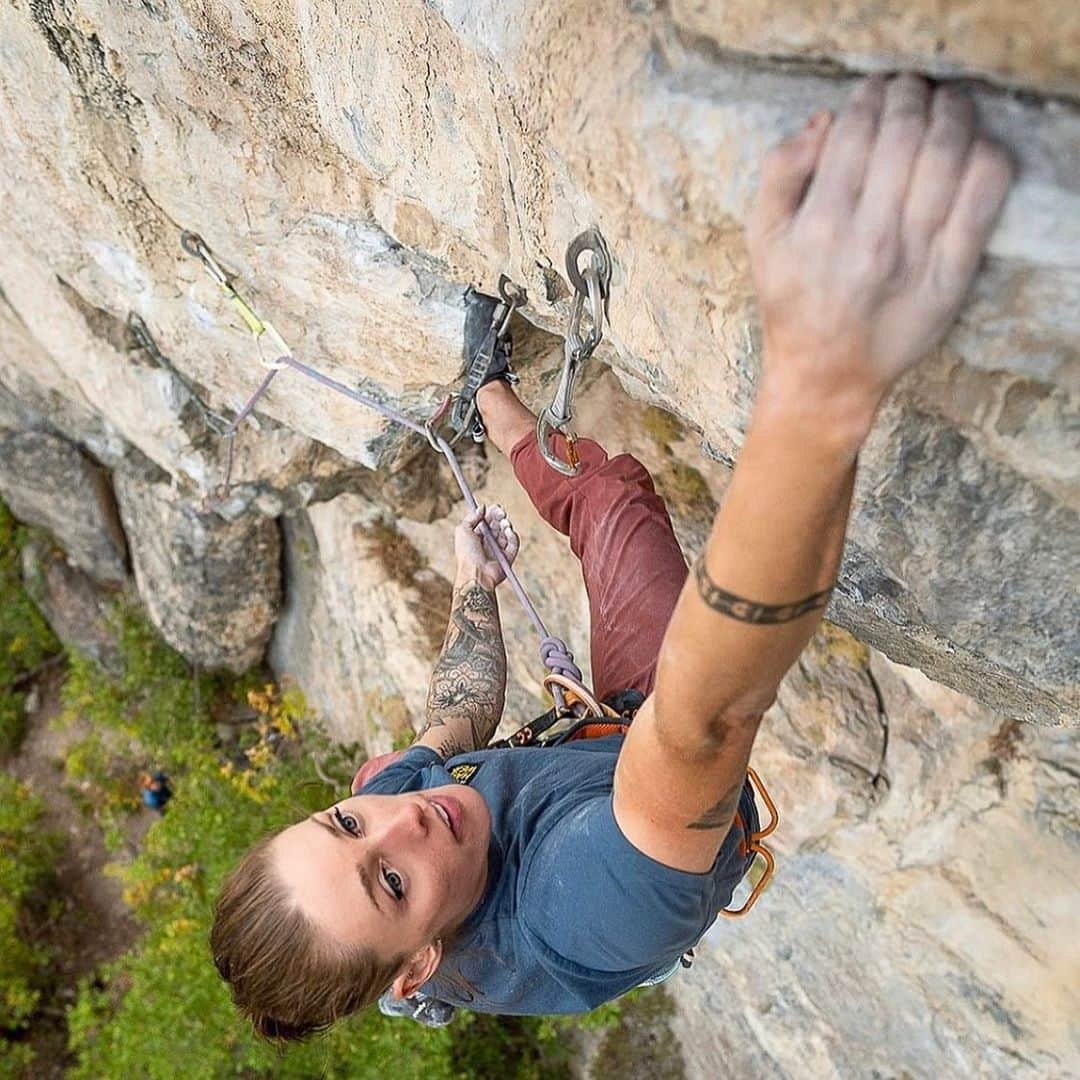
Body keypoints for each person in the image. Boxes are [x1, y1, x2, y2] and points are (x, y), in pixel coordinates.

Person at [210, 74, 1012, 1039]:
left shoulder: (389, 817)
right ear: (419, 966)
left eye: (342, 824)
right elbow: (702, 723)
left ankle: (490, 398)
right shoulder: (575, 915)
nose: (399, 825)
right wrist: (829, 371)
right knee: (680, 621)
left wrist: (475, 586)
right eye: (387, 883)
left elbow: (451, 729)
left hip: (599, 735)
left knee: (610, 495)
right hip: (651, 768)